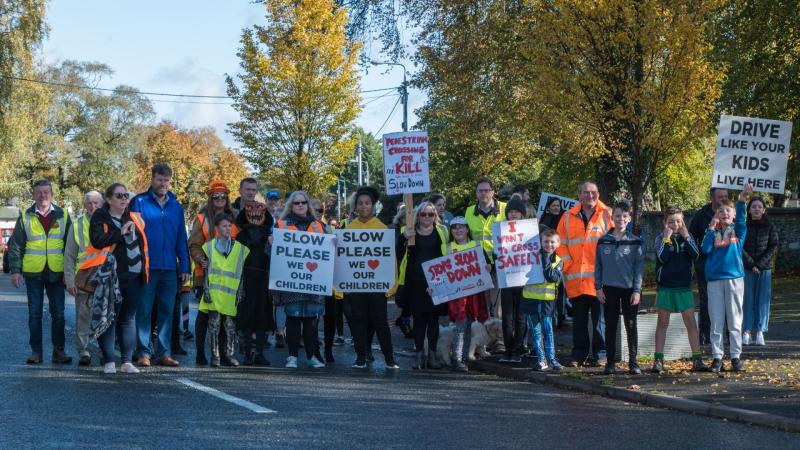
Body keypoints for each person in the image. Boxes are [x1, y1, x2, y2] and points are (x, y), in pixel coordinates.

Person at [85, 183, 149, 374]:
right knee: (109, 317)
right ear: (109, 199)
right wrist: (119, 234)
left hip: (135, 274)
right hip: (110, 276)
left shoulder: (135, 217)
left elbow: (142, 245)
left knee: (128, 318)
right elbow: (97, 240)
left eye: (126, 196)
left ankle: (127, 361)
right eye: (119, 196)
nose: (124, 199)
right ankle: (109, 361)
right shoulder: (100, 216)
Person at [130, 163, 190, 367]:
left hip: (169, 268)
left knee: (167, 311)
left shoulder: (176, 206)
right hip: (146, 266)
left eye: (166, 180)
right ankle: (144, 353)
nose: (163, 184)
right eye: (159, 179)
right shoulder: (139, 202)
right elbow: (133, 236)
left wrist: (184, 266)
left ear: (170, 181)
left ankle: (164, 353)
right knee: (144, 311)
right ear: (152, 179)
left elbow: (182, 238)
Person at [9, 179, 73, 364]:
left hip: (57, 272)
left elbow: (71, 246)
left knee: (59, 314)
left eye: (46, 192)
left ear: (51, 194)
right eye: (39, 192)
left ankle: (58, 351)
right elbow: (16, 245)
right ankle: (36, 352)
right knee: (34, 314)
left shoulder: (63, 215)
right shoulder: (25, 216)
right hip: (33, 273)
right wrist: (15, 270)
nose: (43, 195)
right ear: (33, 194)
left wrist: (70, 273)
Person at [342, 187, 400, 369]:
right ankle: (360, 357)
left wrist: (392, 285)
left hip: (377, 286)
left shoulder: (382, 228)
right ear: (356, 206)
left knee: (380, 321)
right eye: (360, 203)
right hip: (355, 285)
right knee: (358, 321)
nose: (364, 206)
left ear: (373, 206)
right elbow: (342, 258)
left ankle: (389, 359)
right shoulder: (349, 229)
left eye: (367, 203)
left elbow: (391, 260)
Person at [556, 180, 613, 367]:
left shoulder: (607, 214)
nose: (590, 196)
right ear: (579, 194)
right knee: (578, 322)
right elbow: (559, 244)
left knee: (600, 322)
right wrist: (568, 263)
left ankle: (601, 354)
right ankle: (578, 355)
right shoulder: (566, 217)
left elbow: (615, 243)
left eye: (594, 192)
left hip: (600, 281)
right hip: (576, 279)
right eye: (586, 192)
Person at [270, 191, 326, 369]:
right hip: (291, 283)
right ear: (290, 206)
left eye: (303, 202)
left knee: (311, 321)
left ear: (308, 204)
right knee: (293, 320)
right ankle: (292, 356)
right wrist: (271, 244)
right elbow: (269, 253)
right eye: (296, 203)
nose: (300, 205)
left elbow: (329, 253)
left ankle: (311, 357)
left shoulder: (319, 226)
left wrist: (333, 244)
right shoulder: (281, 225)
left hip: (313, 282)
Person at [701, 183, 752, 373]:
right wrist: (710, 228)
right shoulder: (712, 232)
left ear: (733, 215)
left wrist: (742, 200)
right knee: (716, 321)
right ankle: (717, 357)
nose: (724, 214)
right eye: (721, 212)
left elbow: (741, 220)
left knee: (734, 320)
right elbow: (705, 249)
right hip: (714, 279)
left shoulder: (738, 232)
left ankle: (736, 357)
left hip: (734, 279)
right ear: (717, 215)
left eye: (728, 211)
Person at [651, 206, 706, 373]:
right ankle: (658, 360)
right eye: (671, 221)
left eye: (678, 221)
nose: (675, 224)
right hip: (666, 287)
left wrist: (687, 237)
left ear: (683, 222)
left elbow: (696, 255)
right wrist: (666, 240)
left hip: (684, 287)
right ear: (664, 222)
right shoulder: (660, 238)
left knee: (691, 323)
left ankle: (697, 359)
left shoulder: (686, 237)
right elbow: (662, 258)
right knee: (662, 323)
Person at [189, 181, 239, 365]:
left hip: (228, 277)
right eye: (215, 196)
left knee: (227, 315)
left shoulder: (235, 217)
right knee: (204, 315)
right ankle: (201, 353)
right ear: (210, 198)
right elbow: (194, 244)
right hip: (207, 277)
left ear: (227, 198)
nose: (219, 199)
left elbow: (239, 244)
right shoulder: (202, 218)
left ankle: (225, 354)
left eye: (223, 196)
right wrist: (201, 259)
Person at [398, 201, 449, 370]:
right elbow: (397, 252)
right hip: (415, 281)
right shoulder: (408, 232)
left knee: (433, 320)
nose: (427, 217)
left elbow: (450, 253)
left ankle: (432, 356)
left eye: (431, 214)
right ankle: (419, 355)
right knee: (418, 320)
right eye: (423, 214)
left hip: (436, 281)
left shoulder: (442, 231)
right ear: (417, 215)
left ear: (435, 216)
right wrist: (403, 237)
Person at [595, 200, 644, 375]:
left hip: (629, 290)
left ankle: (633, 362)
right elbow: (598, 266)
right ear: (611, 217)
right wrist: (598, 288)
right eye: (617, 216)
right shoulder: (603, 241)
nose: (620, 219)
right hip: (609, 289)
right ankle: (610, 362)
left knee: (631, 325)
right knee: (610, 325)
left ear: (629, 218)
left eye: (624, 216)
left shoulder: (635, 242)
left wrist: (637, 291)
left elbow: (639, 269)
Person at [200, 213, 249, 367]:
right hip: (213, 293)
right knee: (213, 325)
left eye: (230, 225)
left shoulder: (241, 249)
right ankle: (215, 356)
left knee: (229, 326)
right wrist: (205, 290)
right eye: (224, 226)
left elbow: (242, 273)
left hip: (230, 294)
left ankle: (229, 354)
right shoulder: (208, 247)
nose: (228, 228)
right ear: (216, 228)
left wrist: (241, 290)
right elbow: (206, 273)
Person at [444, 216, 489, 372]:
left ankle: (463, 358)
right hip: (457, 294)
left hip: (474, 293)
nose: (458, 230)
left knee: (469, 324)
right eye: (454, 227)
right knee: (460, 325)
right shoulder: (446, 247)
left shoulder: (477, 245)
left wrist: (488, 268)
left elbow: (487, 265)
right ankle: (456, 358)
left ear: (467, 229)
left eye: (461, 227)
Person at [64, 190, 103, 366]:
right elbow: (69, 255)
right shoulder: (77, 224)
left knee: (104, 316)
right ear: (84, 205)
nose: (93, 206)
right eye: (89, 203)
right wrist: (70, 281)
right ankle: (84, 351)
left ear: (102, 204)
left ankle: (105, 350)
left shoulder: (110, 222)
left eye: (96, 203)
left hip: (105, 277)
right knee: (83, 316)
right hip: (83, 277)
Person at [235, 200, 275, 365]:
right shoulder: (241, 236)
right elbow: (237, 260)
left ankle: (258, 352)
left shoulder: (269, 236)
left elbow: (275, 258)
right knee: (248, 316)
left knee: (261, 316)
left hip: (263, 279)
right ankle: (249, 353)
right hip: (246, 279)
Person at [689, 187, 729, 344]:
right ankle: (704, 334)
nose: (723, 199)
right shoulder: (701, 215)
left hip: (725, 267)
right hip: (705, 266)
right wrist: (698, 259)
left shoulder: (730, 215)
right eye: (720, 197)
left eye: (725, 196)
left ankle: (727, 335)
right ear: (711, 198)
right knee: (706, 302)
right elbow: (691, 238)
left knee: (727, 302)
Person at [521, 228, 563, 371]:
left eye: (552, 242)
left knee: (548, 330)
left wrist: (544, 258)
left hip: (547, 302)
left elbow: (552, 276)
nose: (548, 245)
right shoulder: (529, 257)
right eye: (545, 241)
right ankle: (541, 359)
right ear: (540, 242)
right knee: (536, 332)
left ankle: (552, 359)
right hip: (530, 299)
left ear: (558, 244)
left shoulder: (558, 261)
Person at [465, 178, 507, 317]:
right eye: (480, 190)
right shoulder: (469, 211)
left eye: (487, 190)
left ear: (493, 192)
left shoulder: (504, 208)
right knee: (481, 305)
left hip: (499, 264)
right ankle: (482, 336)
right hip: (478, 265)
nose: (483, 193)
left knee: (498, 306)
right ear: (476, 193)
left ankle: (499, 337)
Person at [742, 197, 778, 346]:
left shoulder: (770, 226)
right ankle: (746, 331)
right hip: (747, 269)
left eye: (759, 207)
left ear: (764, 210)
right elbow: (740, 247)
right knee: (747, 299)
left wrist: (760, 265)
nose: (756, 209)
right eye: (753, 206)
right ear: (749, 210)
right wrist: (751, 264)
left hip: (765, 269)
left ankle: (760, 332)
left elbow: (773, 247)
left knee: (762, 301)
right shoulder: (744, 226)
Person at [499, 196, 529, 363]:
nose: (513, 214)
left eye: (517, 211)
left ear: (522, 214)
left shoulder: (531, 229)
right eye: (510, 211)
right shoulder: (501, 230)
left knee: (520, 317)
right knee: (507, 317)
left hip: (524, 279)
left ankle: (518, 350)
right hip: (507, 279)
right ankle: (508, 350)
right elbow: (497, 252)